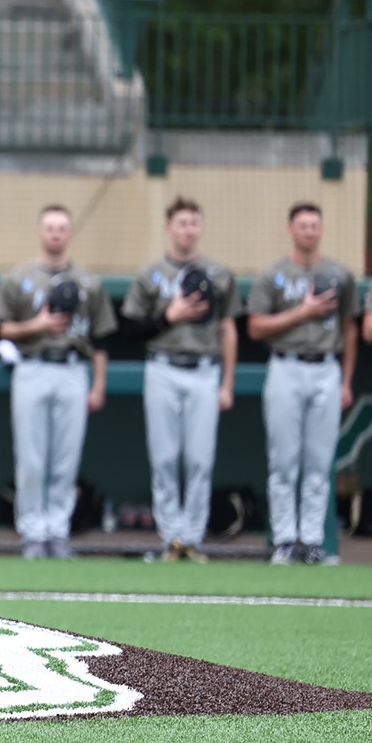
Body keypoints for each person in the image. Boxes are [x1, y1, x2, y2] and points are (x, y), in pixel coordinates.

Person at [0, 204, 116, 560]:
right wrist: (38, 325)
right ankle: (32, 532)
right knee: (31, 457)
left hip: (73, 367)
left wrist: (99, 384)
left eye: (62, 227)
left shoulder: (88, 282)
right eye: (50, 227)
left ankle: (58, 531)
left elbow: (101, 338)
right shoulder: (19, 278)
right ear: (40, 231)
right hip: (32, 366)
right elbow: (1, 329)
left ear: (70, 234)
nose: (56, 233)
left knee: (65, 458)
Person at [119, 197, 238, 564]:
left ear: (201, 227)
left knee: (200, 459)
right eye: (182, 222)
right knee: (165, 457)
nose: (188, 229)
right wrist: (168, 316)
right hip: (163, 366)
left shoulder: (219, 273)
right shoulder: (152, 273)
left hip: (204, 369)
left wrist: (228, 383)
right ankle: (171, 537)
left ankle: (193, 538)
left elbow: (228, 328)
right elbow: (130, 327)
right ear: (170, 226)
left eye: (194, 223)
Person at [252, 203, 356, 566]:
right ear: (290, 229)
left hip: (326, 368)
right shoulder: (274, 275)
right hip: (286, 366)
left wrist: (346, 379)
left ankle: (312, 540)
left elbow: (350, 327)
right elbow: (255, 327)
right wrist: (304, 311)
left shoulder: (340, 274)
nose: (309, 231)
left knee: (319, 461)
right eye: (303, 225)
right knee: (283, 460)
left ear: (321, 230)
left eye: (315, 225)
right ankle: (284, 540)